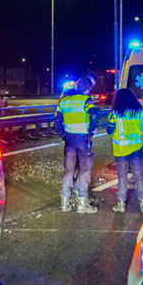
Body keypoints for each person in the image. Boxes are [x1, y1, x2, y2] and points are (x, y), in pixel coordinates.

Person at [55, 76, 99, 213]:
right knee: (85, 169)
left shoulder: (64, 101)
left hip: (69, 140)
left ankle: (65, 202)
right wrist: (91, 130)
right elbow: (95, 114)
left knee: (69, 170)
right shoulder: (86, 100)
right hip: (83, 139)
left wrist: (63, 134)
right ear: (87, 88)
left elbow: (57, 120)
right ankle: (82, 203)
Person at [106, 88, 143, 213]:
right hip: (137, 148)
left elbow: (109, 130)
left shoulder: (115, 114)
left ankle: (121, 203)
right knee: (139, 175)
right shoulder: (141, 112)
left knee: (122, 176)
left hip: (121, 149)